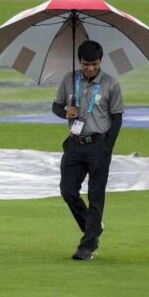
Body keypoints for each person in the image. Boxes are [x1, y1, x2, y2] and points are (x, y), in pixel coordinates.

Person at [52, 40, 123, 260]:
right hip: (75, 143)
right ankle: (93, 228)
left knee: (95, 195)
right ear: (79, 62)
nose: (89, 68)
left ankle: (87, 245)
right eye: (85, 64)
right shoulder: (69, 80)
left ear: (100, 61)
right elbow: (55, 106)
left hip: (98, 144)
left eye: (93, 64)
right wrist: (65, 113)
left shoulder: (111, 84)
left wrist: (107, 147)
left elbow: (117, 117)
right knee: (68, 190)